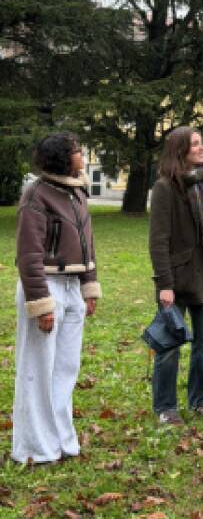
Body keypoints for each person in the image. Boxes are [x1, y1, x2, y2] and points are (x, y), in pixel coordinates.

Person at [13, 133, 101, 464]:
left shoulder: (77, 192)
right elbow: (29, 254)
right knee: (37, 370)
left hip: (73, 288)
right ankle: (35, 449)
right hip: (46, 286)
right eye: (78, 151)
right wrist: (40, 304)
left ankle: (63, 441)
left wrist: (89, 285)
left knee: (66, 367)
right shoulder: (36, 194)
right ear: (62, 157)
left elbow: (87, 243)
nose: (82, 155)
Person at [149, 127, 203, 424]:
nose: (201, 148)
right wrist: (165, 284)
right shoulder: (166, 187)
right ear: (180, 150)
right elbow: (158, 240)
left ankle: (199, 399)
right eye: (195, 144)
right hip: (177, 279)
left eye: (202, 143)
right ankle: (165, 406)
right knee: (169, 345)